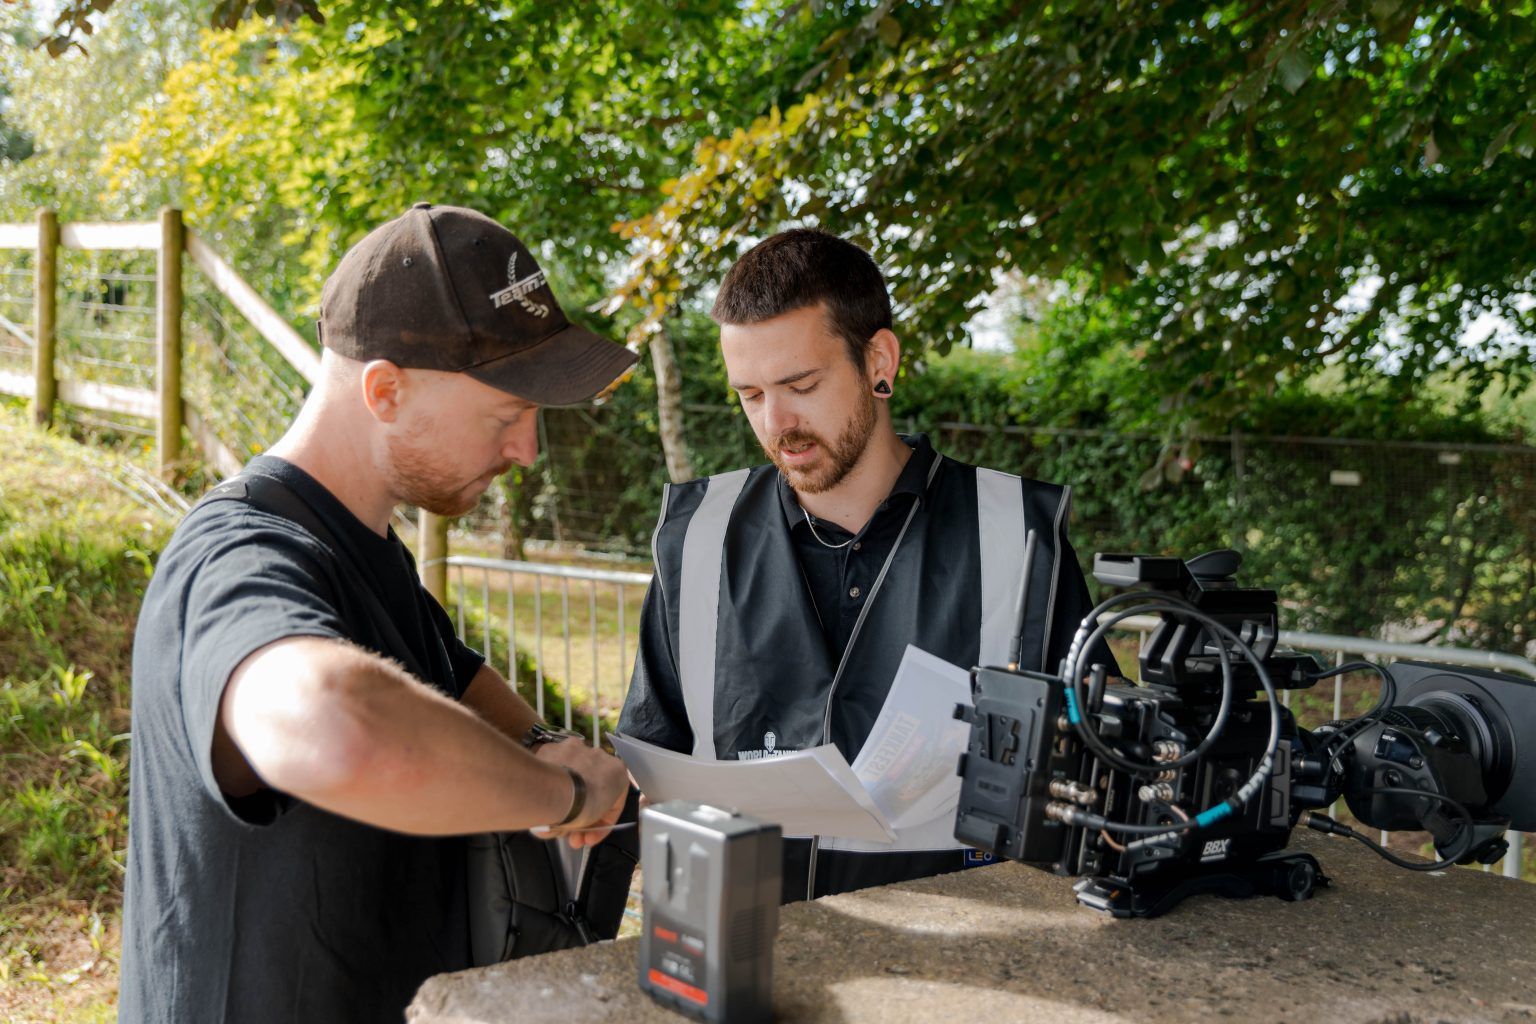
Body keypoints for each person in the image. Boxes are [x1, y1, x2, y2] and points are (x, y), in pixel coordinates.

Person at [120, 203, 639, 1023]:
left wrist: (548, 744)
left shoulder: (369, 551)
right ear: (385, 390)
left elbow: (451, 676)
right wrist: (560, 794)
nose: (526, 451)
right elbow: (333, 724)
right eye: (507, 416)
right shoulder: (237, 554)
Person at [618, 228, 1117, 902]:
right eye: (750, 395)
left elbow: (1099, 776)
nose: (777, 424)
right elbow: (654, 758)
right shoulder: (696, 537)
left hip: (964, 969)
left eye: (801, 384)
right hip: (750, 962)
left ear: (879, 359)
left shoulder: (1020, 535)